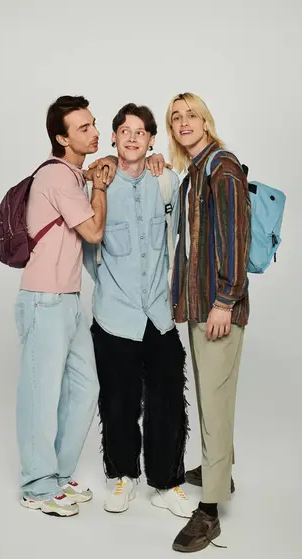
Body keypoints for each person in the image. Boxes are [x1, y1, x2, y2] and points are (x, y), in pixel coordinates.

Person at [85, 103, 194, 518]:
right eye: (123, 131)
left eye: (140, 132)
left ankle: (167, 482)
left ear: (151, 140)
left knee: (167, 398)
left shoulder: (165, 179)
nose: (132, 137)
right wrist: (111, 288)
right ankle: (121, 476)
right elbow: (88, 250)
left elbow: (177, 234)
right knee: (118, 400)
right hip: (115, 313)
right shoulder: (98, 182)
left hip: (159, 312)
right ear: (113, 137)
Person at [15, 95, 116, 517]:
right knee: (41, 393)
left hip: (69, 300)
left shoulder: (72, 173)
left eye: (93, 124)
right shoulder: (58, 177)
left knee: (86, 387)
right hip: (44, 299)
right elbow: (93, 232)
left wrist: (97, 171)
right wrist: (100, 185)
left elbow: (101, 164)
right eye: (84, 129)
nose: (94, 133)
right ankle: (37, 485)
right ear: (61, 138)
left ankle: (57, 474)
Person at [165, 92, 251, 551]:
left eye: (190, 114)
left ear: (206, 119)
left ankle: (210, 511)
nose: (183, 122)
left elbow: (236, 237)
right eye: (175, 117)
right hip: (198, 306)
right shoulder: (194, 172)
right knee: (209, 397)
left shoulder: (222, 168)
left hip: (217, 307)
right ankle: (221, 468)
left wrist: (224, 300)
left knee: (214, 404)